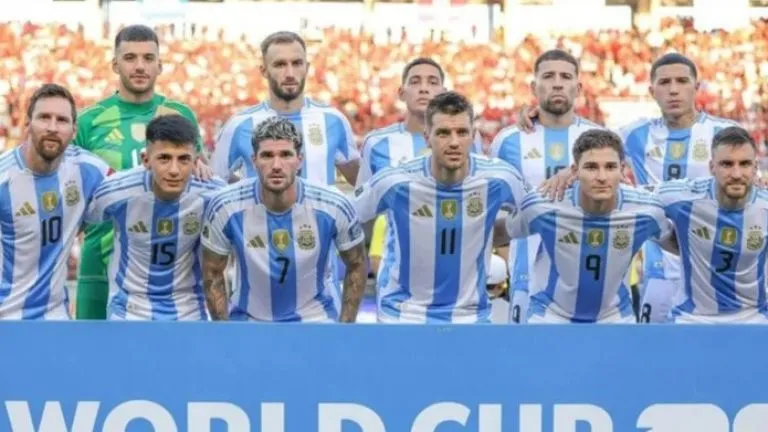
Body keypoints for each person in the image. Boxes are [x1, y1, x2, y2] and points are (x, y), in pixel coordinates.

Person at [528, 53, 740, 323]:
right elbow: (595, 148)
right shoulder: (634, 134)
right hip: (660, 268)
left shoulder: (724, 133)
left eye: (682, 81)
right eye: (664, 82)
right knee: (654, 345)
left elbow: (747, 179)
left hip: (713, 265)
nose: (673, 89)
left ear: (696, 87)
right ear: (652, 91)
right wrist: (538, 117)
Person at [352, 91, 530, 324]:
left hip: (470, 316)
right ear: (427, 137)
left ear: (473, 136)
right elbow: (345, 217)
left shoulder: (500, 178)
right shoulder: (395, 181)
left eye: (462, 132)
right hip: (403, 316)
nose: (454, 142)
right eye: (443, 133)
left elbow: (539, 212)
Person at [74, 24, 212, 320]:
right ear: (115, 64)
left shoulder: (180, 115)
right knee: (90, 346)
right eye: (130, 57)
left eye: (148, 58)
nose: (139, 66)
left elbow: (199, 169)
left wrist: (202, 165)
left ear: (160, 65)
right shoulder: (88, 121)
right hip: (99, 258)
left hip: (165, 265)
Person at [201, 117, 368, 322]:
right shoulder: (225, 206)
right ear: (254, 161)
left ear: (300, 160)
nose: (276, 165)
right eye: (267, 155)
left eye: (286, 155)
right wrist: (224, 330)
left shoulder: (333, 205)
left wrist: (346, 326)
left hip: (316, 321)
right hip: (249, 322)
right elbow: (212, 271)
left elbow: (357, 263)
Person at [504, 129, 672, 324]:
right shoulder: (542, 205)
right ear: (574, 171)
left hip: (615, 317)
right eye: (591, 167)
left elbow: (676, 244)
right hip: (550, 316)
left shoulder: (647, 210)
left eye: (610, 167)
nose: (602, 177)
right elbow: (504, 231)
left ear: (622, 169)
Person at [489, 49, 602, 323]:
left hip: (588, 274)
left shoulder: (599, 139)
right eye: (549, 76)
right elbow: (496, 212)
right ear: (533, 87)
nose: (558, 83)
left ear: (578, 88)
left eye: (566, 77)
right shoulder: (507, 141)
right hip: (526, 277)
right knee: (527, 350)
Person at [83, 115, 225, 320]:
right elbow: (81, 222)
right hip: (129, 311)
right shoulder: (116, 191)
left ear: (196, 161)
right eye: (164, 158)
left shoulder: (213, 193)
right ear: (146, 160)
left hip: (190, 312)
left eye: (184, 159)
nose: (174, 170)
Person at [0, 84, 110, 319]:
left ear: (73, 130)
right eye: (44, 118)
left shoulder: (90, 171)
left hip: (55, 317)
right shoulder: (3, 178)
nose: (52, 127)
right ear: (28, 125)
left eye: (61, 120)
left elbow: (134, 191)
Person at [211, 31, 359, 186]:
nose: (290, 73)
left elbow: (361, 182)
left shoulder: (333, 120)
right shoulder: (239, 125)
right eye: (280, 64)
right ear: (264, 71)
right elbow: (216, 181)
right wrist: (246, 192)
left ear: (307, 67)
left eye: (297, 63)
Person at [657, 126, 768, 323]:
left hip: (754, 318)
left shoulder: (764, 206)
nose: (736, 173)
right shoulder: (682, 197)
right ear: (712, 167)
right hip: (692, 319)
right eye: (727, 164)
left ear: (755, 167)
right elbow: (637, 201)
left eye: (744, 164)